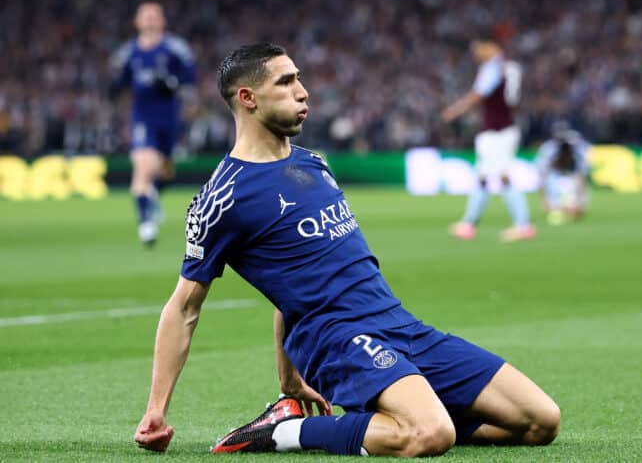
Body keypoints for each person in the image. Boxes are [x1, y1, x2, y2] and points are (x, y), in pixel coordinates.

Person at [133, 43, 560, 457]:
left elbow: (291, 283)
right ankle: (286, 431)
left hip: (399, 324)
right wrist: (156, 410)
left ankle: (390, 416)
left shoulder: (313, 163)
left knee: (540, 420)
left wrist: (290, 384)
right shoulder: (222, 199)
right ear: (248, 98)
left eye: (299, 78)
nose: (303, 91)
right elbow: (184, 307)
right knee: (430, 434)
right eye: (286, 83)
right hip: (340, 340)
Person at [110, 2, 197, 246]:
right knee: (143, 169)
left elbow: (190, 79)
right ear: (137, 22)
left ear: (162, 21)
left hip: (169, 118)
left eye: (153, 17)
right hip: (142, 118)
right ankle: (146, 223)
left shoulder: (175, 49)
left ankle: (153, 197)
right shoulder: (128, 53)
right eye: (145, 17)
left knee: (166, 173)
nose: (149, 21)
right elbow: (119, 82)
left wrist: (171, 83)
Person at [442, 33, 535, 242]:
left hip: (496, 132)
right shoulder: (509, 67)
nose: (475, 53)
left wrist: (455, 110)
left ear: (490, 46)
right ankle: (469, 223)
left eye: (478, 47)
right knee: (483, 177)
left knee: (502, 176)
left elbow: (479, 94)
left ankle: (523, 225)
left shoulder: (493, 68)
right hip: (501, 129)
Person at [536, 127, 590, 225]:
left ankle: (566, 206)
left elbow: (581, 178)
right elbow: (542, 177)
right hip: (554, 177)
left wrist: (579, 202)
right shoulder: (548, 150)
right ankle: (558, 207)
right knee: (553, 204)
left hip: (571, 177)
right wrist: (545, 200)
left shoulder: (580, 151)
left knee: (576, 210)